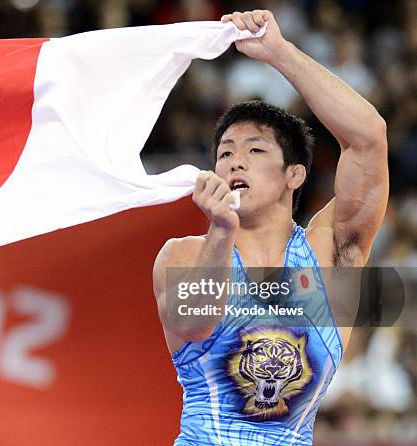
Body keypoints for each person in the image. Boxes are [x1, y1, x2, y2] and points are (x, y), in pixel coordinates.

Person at [152, 9, 388, 446]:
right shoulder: (181, 254)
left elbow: (369, 138)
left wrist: (280, 54)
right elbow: (196, 326)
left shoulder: (330, 255)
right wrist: (221, 232)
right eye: (225, 153)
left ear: (293, 175)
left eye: (255, 150)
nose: (234, 160)